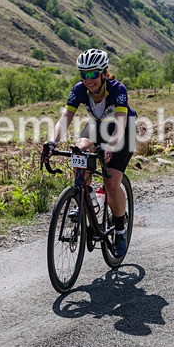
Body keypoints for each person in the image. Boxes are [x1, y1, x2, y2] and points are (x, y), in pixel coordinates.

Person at [45, 49, 137, 257]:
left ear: (103, 73)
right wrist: (51, 142)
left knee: (111, 182)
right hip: (98, 127)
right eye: (84, 74)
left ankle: (120, 229)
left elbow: (121, 122)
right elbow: (65, 117)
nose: (89, 79)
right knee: (79, 149)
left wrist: (110, 146)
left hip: (123, 131)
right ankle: (88, 199)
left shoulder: (117, 89)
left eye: (93, 74)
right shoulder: (79, 89)